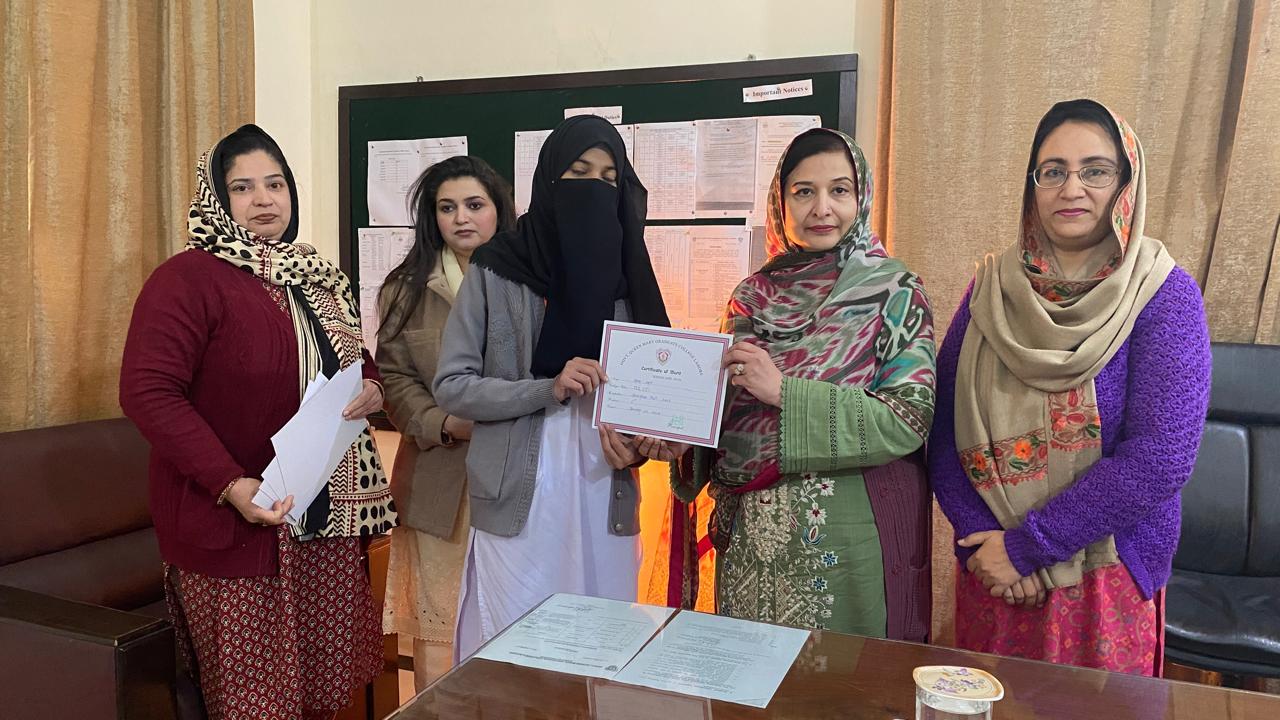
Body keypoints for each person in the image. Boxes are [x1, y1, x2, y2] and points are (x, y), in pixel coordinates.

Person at [120, 124, 396, 719]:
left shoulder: (314, 275)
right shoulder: (187, 279)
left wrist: (372, 388)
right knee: (255, 702)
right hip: (234, 523)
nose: (263, 199)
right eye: (242, 188)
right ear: (217, 200)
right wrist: (229, 483)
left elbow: (354, 362)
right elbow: (148, 391)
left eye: (275, 184)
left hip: (321, 522)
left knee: (324, 692)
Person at [929, 99, 1211, 675]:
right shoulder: (991, 291)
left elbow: (1161, 457)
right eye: (1053, 170)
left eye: (1095, 170)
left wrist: (1028, 548)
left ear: (1126, 183)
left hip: (1103, 578)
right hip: (996, 575)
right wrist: (983, 537)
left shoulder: (1163, 296)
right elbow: (943, 425)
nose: (1071, 188)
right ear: (1032, 185)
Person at [641, 129, 937, 638]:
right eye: (803, 192)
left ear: (861, 197)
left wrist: (784, 392)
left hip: (851, 535)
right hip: (752, 541)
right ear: (781, 203)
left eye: (839, 190)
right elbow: (728, 413)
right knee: (752, 673)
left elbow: (909, 417)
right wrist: (682, 441)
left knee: (845, 677)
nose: (822, 208)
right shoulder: (750, 297)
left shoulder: (894, 289)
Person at [432, 115, 669, 659]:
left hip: (603, 487)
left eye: (609, 178)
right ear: (549, 178)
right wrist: (546, 388)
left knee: (603, 647)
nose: (594, 188)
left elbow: (655, 398)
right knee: (516, 651)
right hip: (520, 496)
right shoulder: (496, 268)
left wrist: (644, 444)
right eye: (579, 172)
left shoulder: (631, 275)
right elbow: (453, 387)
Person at [376, 156, 516, 689]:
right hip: (439, 479)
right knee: (439, 637)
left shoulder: (532, 282)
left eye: (474, 205)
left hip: (514, 477)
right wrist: (444, 423)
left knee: (510, 624)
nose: (461, 218)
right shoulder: (407, 288)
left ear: (498, 210)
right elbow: (394, 379)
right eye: (447, 207)